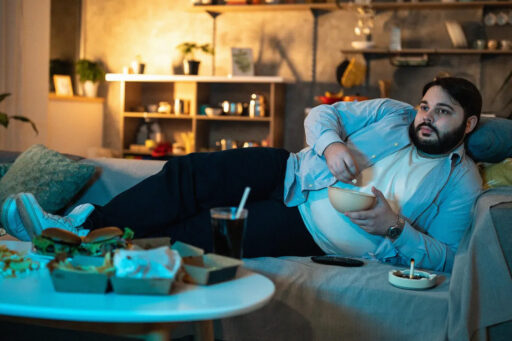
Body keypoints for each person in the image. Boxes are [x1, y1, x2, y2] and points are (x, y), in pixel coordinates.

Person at [1, 77, 482, 272]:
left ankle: (87, 250)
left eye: (442, 113)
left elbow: (448, 259)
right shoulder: (391, 114)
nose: (425, 117)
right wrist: (332, 144)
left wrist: (394, 228)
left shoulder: (462, 183)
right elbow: (319, 115)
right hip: (289, 171)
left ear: (468, 124)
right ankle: (80, 226)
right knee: (188, 175)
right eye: (425, 106)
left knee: (196, 234)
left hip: (308, 231)